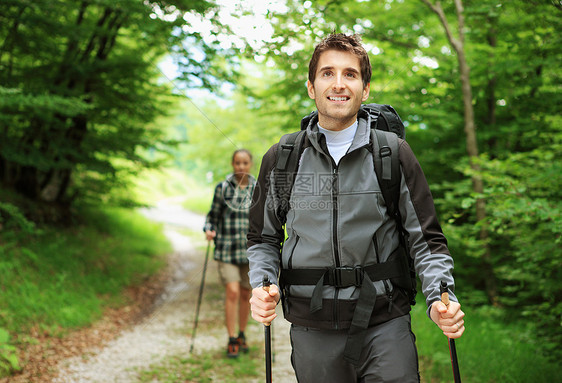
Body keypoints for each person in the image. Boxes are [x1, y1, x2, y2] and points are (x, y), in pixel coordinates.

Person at [247, 33, 465, 382]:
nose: (338, 83)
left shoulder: (391, 153)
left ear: (365, 90)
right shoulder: (283, 158)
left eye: (350, 74)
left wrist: (441, 296)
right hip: (311, 324)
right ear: (310, 86)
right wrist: (262, 283)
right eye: (327, 73)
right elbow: (263, 238)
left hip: (385, 321)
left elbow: (425, 240)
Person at [204, 149, 256, 358]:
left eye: (244, 163)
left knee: (246, 294)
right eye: (237, 163)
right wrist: (209, 229)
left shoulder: (258, 188)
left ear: (250, 164)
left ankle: (242, 333)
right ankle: (231, 337)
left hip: (250, 250)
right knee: (233, 291)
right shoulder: (222, 188)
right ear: (232, 164)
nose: (241, 167)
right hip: (226, 249)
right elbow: (212, 216)